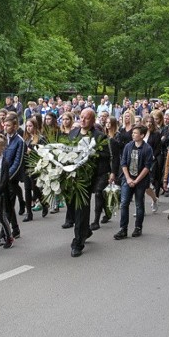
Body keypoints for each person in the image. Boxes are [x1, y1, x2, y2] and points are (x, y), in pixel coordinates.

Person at [66, 108, 112, 257]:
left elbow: (106, 155)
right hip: (72, 178)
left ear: (93, 121)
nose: (83, 120)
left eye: (87, 118)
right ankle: (85, 230)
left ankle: (78, 242)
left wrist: (92, 153)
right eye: (81, 117)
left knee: (81, 210)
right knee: (72, 207)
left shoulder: (99, 136)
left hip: (87, 180)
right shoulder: (73, 133)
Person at [114, 125, 154, 241]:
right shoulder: (128, 146)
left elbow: (147, 167)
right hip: (128, 179)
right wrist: (128, 178)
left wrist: (136, 180)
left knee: (139, 204)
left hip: (140, 181)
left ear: (142, 135)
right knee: (124, 203)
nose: (133, 135)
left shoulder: (147, 149)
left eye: (136, 133)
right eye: (133, 133)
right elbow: (124, 163)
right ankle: (123, 228)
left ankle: (138, 227)